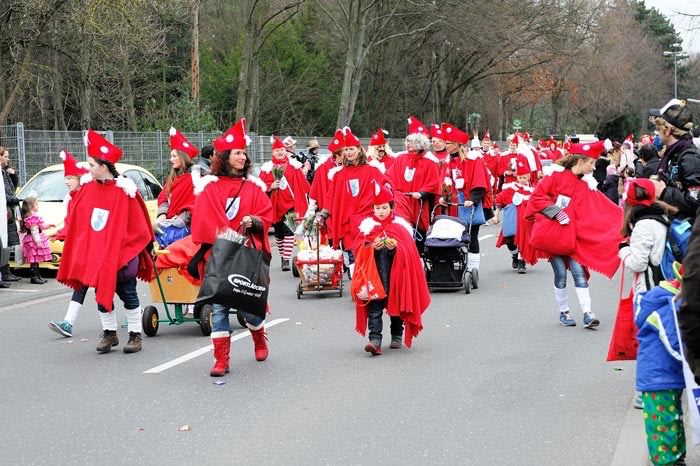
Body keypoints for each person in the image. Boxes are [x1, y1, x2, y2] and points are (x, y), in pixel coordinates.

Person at [57, 130, 154, 354]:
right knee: (101, 295)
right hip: (98, 254)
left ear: (104, 166)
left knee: (128, 293)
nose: (87, 169)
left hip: (121, 254)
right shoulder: (88, 189)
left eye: (91, 165)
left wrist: (128, 250)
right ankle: (110, 333)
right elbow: (81, 220)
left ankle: (135, 335)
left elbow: (139, 225)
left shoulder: (125, 191)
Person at [189, 118, 273, 377]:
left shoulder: (254, 187)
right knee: (219, 307)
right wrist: (224, 233)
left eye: (244, 153)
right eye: (237, 153)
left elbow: (266, 215)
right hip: (220, 255)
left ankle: (258, 335)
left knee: (249, 309)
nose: (242, 157)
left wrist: (255, 221)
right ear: (225, 157)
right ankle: (221, 359)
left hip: (245, 254)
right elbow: (203, 219)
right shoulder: (210, 187)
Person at [526, 141, 623, 328]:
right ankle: (564, 312)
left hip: (574, 237)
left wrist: (626, 217)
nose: (594, 167)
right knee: (560, 274)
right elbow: (537, 197)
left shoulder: (587, 185)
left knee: (578, 272)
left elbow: (604, 208)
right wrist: (556, 211)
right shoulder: (554, 176)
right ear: (579, 161)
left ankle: (587, 313)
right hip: (554, 234)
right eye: (591, 163)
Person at [355, 182, 430, 355]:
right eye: (377, 208)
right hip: (374, 277)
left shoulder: (400, 227)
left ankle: (397, 334)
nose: (381, 211)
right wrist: (371, 246)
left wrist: (395, 248)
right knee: (375, 309)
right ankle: (375, 340)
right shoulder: (367, 228)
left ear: (391, 207)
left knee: (396, 306)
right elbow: (359, 249)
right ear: (373, 209)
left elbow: (408, 252)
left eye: (384, 207)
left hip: (396, 275)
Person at [318, 127, 391, 274]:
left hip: (367, 222)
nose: (349, 152)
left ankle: (371, 285)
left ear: (359, 150)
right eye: (346, 149)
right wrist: (323, 214)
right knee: (353, 257)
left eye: (351, 149)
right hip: (348, 224)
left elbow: (385, 189)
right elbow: (330, 197)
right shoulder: (339, 175)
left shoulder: (372, 171)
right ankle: (358, 286)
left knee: (369, 255)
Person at [635, 275, 686, 466]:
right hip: (657, 375)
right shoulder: (668, 305)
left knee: (673, 417)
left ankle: (677, 457)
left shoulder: (663, 300)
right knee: (661, 424)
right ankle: (665, 462)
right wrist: (690, 362)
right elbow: (674, 342)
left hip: (666, 374)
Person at [438, 123, 491, 287]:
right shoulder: (448, 161)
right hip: (454, 202)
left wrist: (473, 199)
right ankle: (453, 265)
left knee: (471, 235)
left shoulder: (473, 160)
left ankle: (473, 268)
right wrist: (443, 197)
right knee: (452, 235)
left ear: (457, 145)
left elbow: (480, 182)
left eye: (448, 144)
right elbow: (446, 182)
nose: (445, 146)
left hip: (468, 202)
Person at [48, 151, 91, 337]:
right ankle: (68, 323)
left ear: (80, 179)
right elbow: (70, 224)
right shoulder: (72, 199)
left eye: (71, 177)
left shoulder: (86, 198)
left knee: (115, 286)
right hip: (83, 250)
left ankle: (134, 313)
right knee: (80, 284)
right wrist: (57, 234)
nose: (67, 181)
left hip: (93, 248)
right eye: (66, 178)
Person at [386, 116, 440, 253]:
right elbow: (389, 177)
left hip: (418, 203)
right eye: (407, 141)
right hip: (401, 202)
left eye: (412, 141)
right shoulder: (400, 158)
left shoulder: (430, 162)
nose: (408, 144)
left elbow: (433, 184)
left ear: (420, 143)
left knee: (418, 235)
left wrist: (421, 193)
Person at [259, 135, 310, 271]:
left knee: (289, 232)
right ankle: (282, 256)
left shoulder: (294, 166)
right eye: (277, 150)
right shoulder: (267, 168)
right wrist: (271, 186)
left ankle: (286, 259)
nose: (280, 152)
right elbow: (261, 187)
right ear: (273, 152)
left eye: (282, 149)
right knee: (279, 233)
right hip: (275, 205)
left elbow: (303, 186)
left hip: (291, 205)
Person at [649, 98, 700, 220]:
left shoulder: (690, 158)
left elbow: (695, 201)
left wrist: (664, 192)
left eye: (658, 128)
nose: (657, 132)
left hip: (684, 233)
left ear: (667, 131)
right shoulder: (673, 153)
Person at [155, 127, 197, 246]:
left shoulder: (195, 179)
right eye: (171, 156)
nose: (171, 159)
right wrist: (162, 216)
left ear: (182, 157)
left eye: (174, 156)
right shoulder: (173, 178)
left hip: (185, 231)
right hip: (170, 229)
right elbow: (164, 198)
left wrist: (180, 220)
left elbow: (195, 205)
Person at [493, 156, 536, 274]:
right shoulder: (510, 189)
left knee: (524, 241)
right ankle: (514, 255)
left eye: (525, 177)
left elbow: (538, 205)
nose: (523, 179)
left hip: (526, 222)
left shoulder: (532, 191)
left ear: (528, 177)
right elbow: (499, 201)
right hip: (511, 220)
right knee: (510, 241)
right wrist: (496, 216)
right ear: (517, 177)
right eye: (520, 177)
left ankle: (522, 263)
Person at [20, 196, 52, 284]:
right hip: (33, 241)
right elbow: (34, 231)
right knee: (34, 260)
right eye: (36, 204)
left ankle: (37, 276)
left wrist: (48, 225)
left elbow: (40, 227)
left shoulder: (32, 217)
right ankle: (34, 277)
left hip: (32, 239)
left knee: (35, 260)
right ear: (31, 207)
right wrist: (38, 241)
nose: (38, 206)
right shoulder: (32, 218)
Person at [0, 146, 21, 285]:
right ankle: (4, 272)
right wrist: (15, 200)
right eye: (6, 156)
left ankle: (6, 271)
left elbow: (12, 187)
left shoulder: (5, 172)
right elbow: (4, 195)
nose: (8, 159)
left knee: (6, 243)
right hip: (5, 211)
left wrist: (13, 175)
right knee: (3, 243)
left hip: (8, 211)